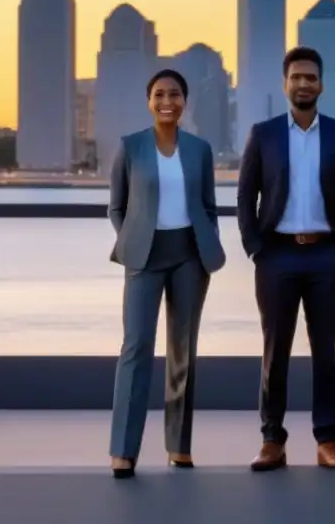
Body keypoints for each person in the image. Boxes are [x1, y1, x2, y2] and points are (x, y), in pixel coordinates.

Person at [237, 47, 335, 472]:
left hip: (328, 255)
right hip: (276, 256)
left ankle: (327, 440)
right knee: (276, 350)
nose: (304, 84)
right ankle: (272, 439)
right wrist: (255, 246)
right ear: (285, 83)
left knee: (325, 351)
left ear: (322, 84)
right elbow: (245, 195)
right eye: (297, 77)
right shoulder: (264, 133)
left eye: (311, 77)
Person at [107, 69, 227, 479]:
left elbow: (209, 206)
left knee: (183, 353)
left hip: (190, 257)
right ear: (149, 100)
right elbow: (116, 206)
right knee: (136, 349)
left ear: (184, 101)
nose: (167, 101)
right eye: (159, 94)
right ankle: (123, 450)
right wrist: (132, 238)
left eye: (175, 94)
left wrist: (208, 240)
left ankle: (179, 446)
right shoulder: (131, 147)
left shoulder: (199, 149)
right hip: (143, 257)